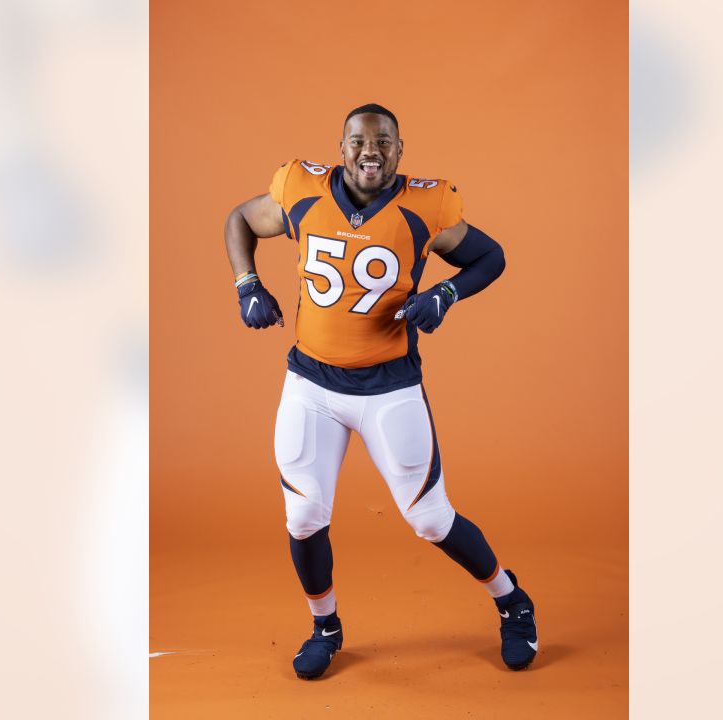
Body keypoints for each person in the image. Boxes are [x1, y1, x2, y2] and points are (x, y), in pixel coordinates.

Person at [223, 103, 537, 680]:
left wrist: (446, 294)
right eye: (360, 141)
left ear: (400, 148)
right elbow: (240, 218)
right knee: (303, 515)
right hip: (312, 382)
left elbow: (490, 257)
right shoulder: (301, 190)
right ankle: (326, 625)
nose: (371, 151)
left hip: (389, 385)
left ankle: (512, 599)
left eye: (384, 142)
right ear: (341, 147)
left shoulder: (427, 204)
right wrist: (247, 282)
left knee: (430, 520)